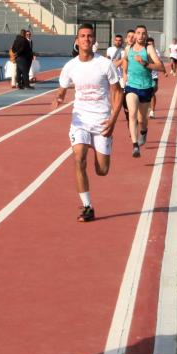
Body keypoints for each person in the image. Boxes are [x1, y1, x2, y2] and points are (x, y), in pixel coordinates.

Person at [54, 23, 124, 222]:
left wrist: (113, 120)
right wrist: (59, 97)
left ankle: (100, 147)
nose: (86, 39)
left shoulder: (105, 64)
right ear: (77, 41)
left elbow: (117, 93)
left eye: (89, 36)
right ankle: (87, 206)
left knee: (102, 170)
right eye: (82, 36)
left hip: (102, 121)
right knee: (78, 159)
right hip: (80, 120)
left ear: (94, 40)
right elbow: (62, 89)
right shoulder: (70, 66)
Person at [123, 25, 164, 157]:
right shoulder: (128, 48)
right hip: (131, 86)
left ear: (146, 36)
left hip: (145, 87)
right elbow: (124, 62)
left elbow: (160, 66)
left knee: (142, 120)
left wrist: (145, 63)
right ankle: (135, 145)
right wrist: (124, 75)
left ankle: (144, 132)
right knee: (132, 114)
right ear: (134, 35)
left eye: (143, 33)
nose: (141, 36)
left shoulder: (148, 48)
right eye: (138, 33)